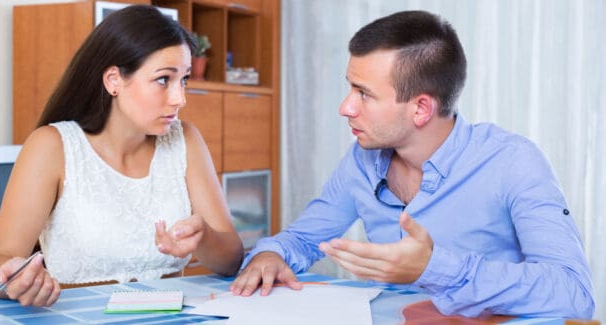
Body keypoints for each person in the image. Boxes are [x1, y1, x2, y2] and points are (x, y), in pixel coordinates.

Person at [230, 10, 594, 319]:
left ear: (421, 108)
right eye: (350, 88)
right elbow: (303, 238)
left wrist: (434, 268)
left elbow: (574, 293)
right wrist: (270, 254)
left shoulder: (514, 161)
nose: (345, 107)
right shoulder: (362, 158)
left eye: (364, 94)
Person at [0, 5, 243, 307]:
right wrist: (16, 278)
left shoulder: (185, 141)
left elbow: (232, 259)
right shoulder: (51, 147)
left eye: (183, 79)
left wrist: (204, 238)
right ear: (113, 80)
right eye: (163, 80)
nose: (179, 98)